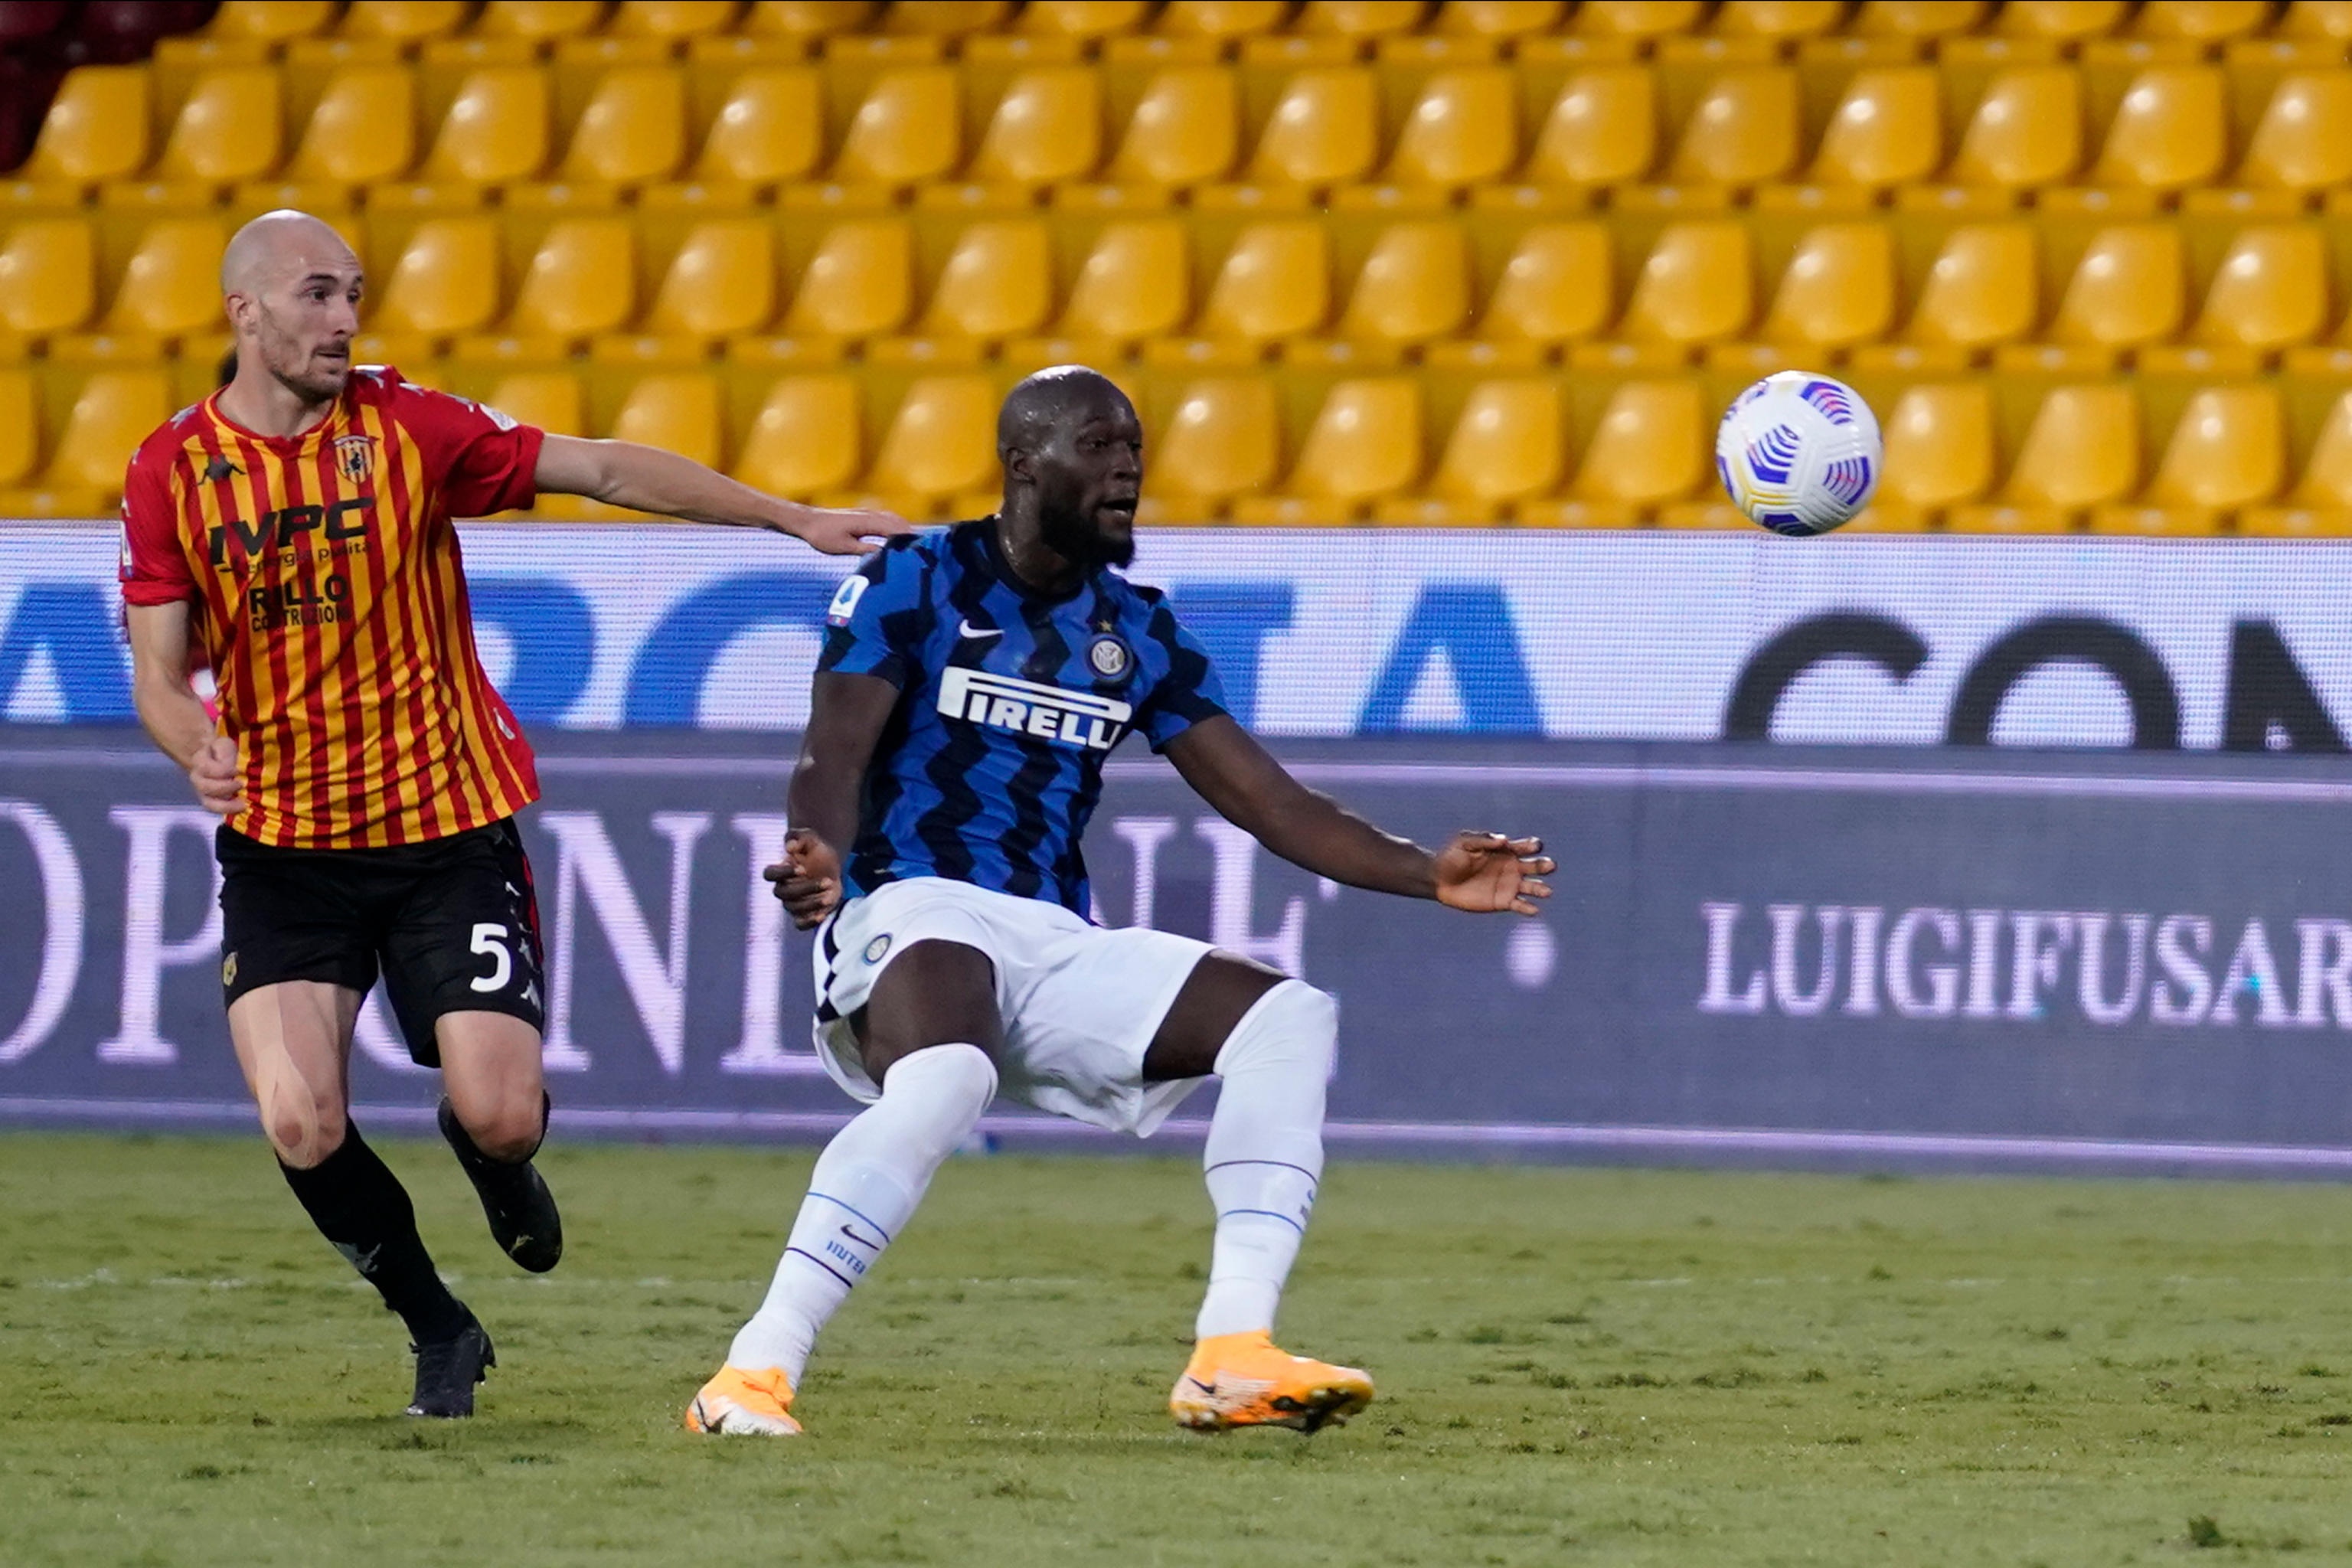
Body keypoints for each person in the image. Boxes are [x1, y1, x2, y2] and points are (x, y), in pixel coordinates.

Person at [117, 211, 903, 1419]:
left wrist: (788, 517)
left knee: (503, 1113)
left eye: (355, 295)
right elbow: (160, 676)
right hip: (283, 848)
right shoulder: (172, 469)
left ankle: (492, 1155)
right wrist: (191, 746)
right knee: (301, 1120)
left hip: (445, 831)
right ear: (246, 314)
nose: (344, 320)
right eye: (319, 295)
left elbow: (598, 465)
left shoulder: (408, 430)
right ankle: (438, 1325)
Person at [687, 366, 1554, 1439]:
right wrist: (818, 847)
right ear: (1021, 464)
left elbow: (1270, 802)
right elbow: (837, 744)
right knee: (949, 1072)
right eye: (1098, 446)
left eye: (1134, 448)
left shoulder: (1136, 630)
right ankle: (753, 1374)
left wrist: (1426, 871)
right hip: (906, 902)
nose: (1128, 467)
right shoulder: (918, 576)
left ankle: (1232, 1353)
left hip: (1049, 934)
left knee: (1288, 1018)